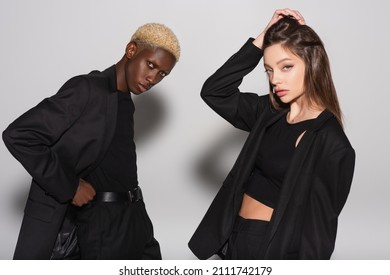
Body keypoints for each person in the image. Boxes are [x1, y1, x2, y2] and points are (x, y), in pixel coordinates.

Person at [3, 23, 180, 260]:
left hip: (134, 217)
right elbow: (19, 134)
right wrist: (71, 185)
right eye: (151, 65)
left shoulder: (126, 100)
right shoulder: (87, 88)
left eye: (162, 74)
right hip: (100, 221)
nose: (152, 78)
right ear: (131, 50)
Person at [188, 9, 355, 259]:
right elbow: (214, 91)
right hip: (232, 234)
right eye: (269, 70)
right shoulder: (268, 111)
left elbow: (319, 231)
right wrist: (261, 39)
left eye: (286, 67)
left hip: (268, 246)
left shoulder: (330, 142)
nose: (275, 79)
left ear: (312, 63)